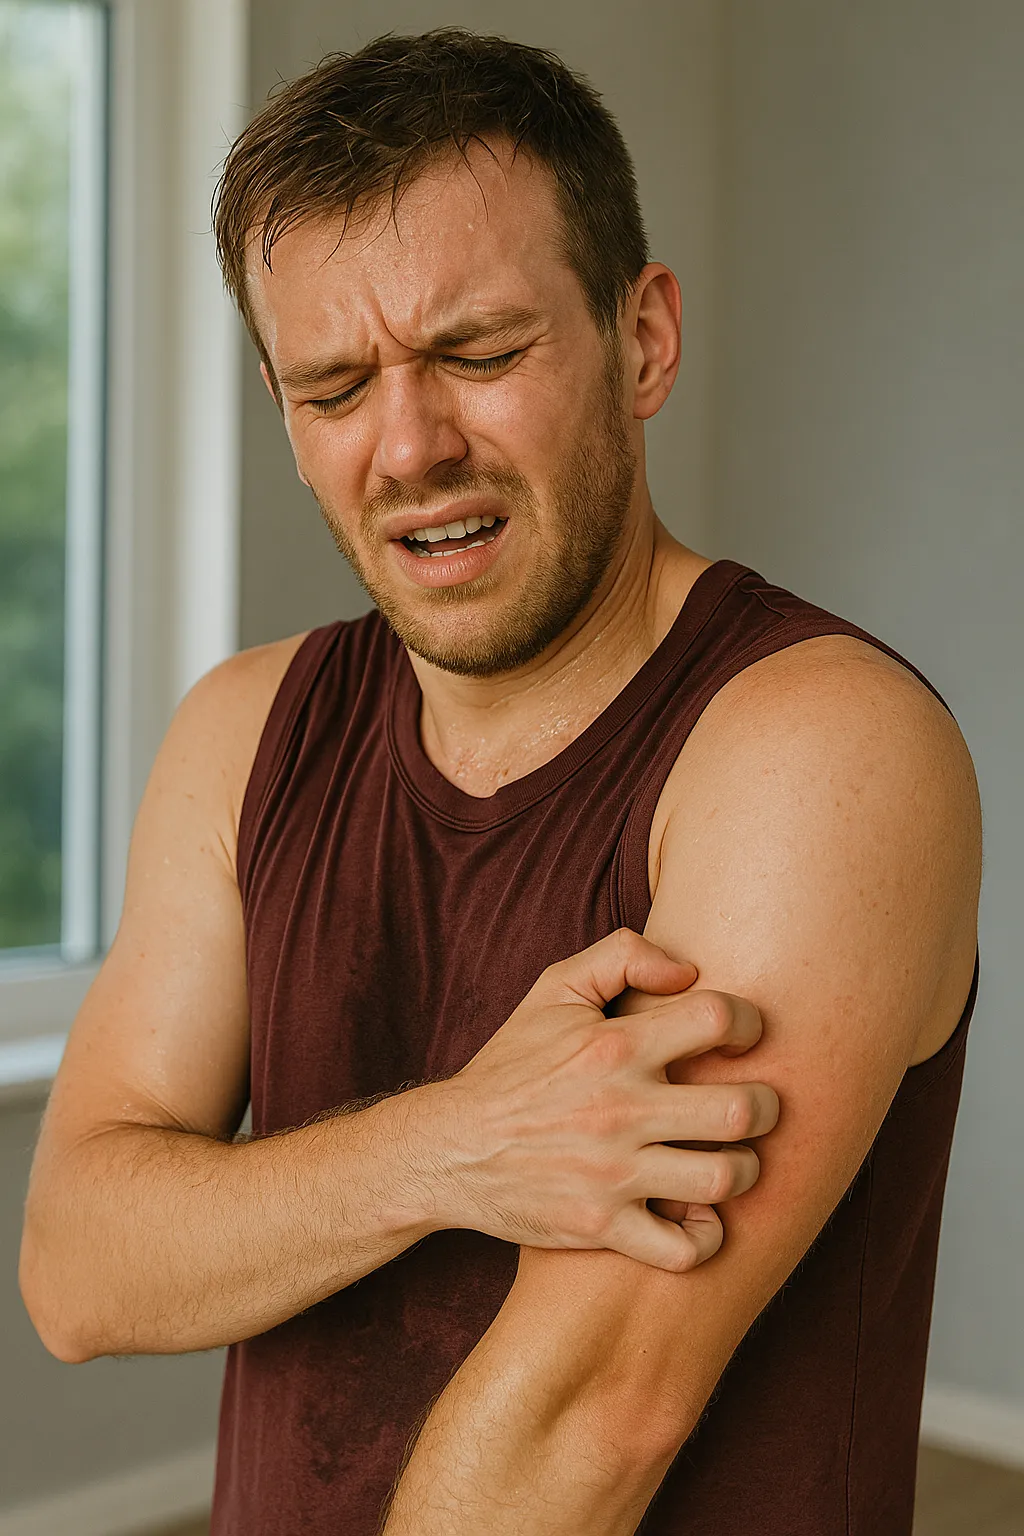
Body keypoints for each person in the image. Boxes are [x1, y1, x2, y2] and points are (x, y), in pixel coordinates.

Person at [20, 28, 982, 1536]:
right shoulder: (244, 730)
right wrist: (455, 1145)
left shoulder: (818, 751)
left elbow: (588, 1420)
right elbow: (79, 1270)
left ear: (644, 337)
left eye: (479, 354)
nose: (410, 445)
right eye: (333, 387)